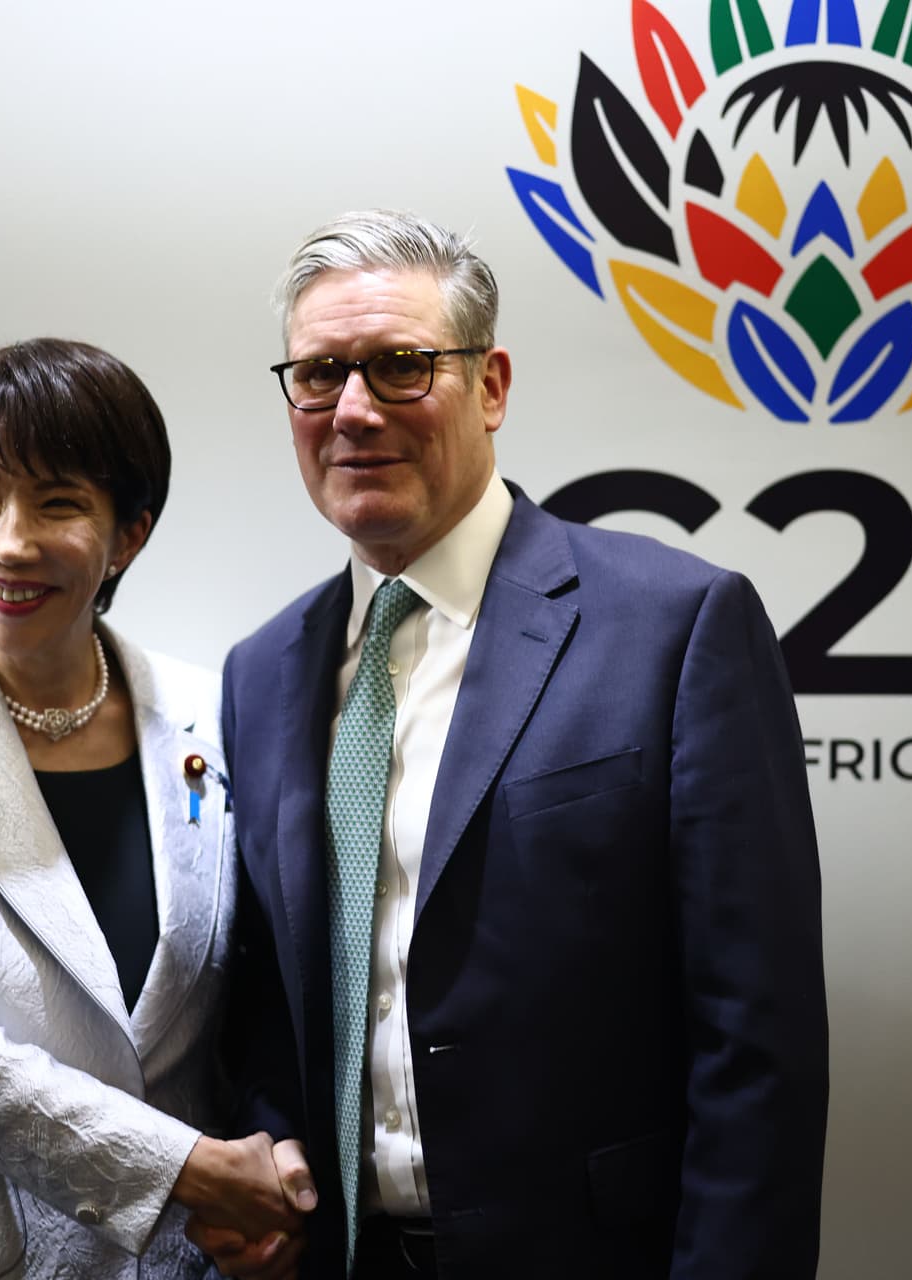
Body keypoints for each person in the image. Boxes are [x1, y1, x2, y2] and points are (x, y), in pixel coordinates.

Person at [201, 212, 830, 1278]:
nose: (353, 410)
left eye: (401, 366)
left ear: (490, 384)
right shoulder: (261, 672)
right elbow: (267, 1000)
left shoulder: (675, 627)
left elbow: (756, 1044)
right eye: (319, 375)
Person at [0, 338, 307, 1278]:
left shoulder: (215, 714)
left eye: (60, 501)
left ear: (130, 534)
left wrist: (267, 1175)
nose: (7, 540)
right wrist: (190, 1169)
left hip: (187, 1261)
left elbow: (250, 1000)